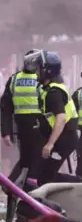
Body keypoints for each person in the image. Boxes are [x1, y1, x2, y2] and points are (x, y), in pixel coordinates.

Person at [32, 51, 80, 186]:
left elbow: (61, 118)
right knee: (44, 173)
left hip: (64, 141)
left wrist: (50, 144)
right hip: (63, 139)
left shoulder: (54, 92)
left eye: (38, 69)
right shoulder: (51, 89)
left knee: (45, 176)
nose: (36, 72)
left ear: (47, 71)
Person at [1, 50, 45, 180]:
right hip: (28, 129)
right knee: (30, 162)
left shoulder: (15, 79)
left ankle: (16, 188)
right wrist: (6, 131)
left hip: (37, 128)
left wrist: (6, 131)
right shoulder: (43, 79)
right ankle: (17, 189)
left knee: (32, 162)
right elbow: (5, 107)